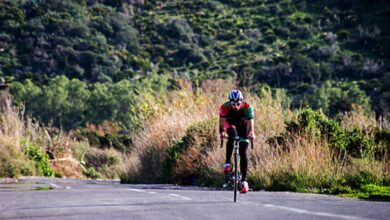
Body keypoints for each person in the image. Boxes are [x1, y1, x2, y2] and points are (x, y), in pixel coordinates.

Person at [219, 89, 255, 193]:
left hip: (243, 126)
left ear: (242, 101)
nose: (235, 106)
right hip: (230, 124)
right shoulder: (224, 107)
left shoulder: (248, 108)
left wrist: (251, 134)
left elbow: (251, 125)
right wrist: (222, 133)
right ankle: (227, 162)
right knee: (232, 135)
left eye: (238, 104)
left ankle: (244, 181)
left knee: (243, 152)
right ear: (229, 102)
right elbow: (221, 125)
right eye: (233, 104)